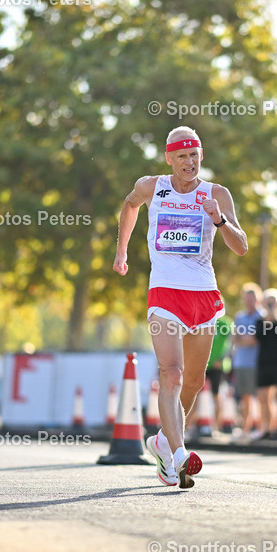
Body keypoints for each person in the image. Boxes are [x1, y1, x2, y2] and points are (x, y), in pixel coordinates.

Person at [113, 125, 248, 488]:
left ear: (201, 155)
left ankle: (161, 441)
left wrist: (218, 219)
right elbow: (129, 205)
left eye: (194, 155)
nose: (189, 163)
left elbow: (241, 246)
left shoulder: (216, 193)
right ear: (169, 158)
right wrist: (122, 251)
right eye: (182, 156)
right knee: (171, 373)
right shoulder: (151, 186)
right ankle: (178, 455)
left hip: (203, 293)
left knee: (194, 381)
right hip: (165, 292)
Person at [255, 288, 277, 441]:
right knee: (264, 398)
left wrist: (274, 315)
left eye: (273, 302)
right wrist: (268, 317)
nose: (270, 305)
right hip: (264, 362)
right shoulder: (259, 322)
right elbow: (258, 336)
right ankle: (266, 428)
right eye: (268, 302)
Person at [231, 283, 264, 434]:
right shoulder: (239, 316)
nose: (250, 301)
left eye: (253, 298)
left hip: (257, 363)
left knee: (261, 397)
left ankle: (262, 429)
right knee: (245, 398)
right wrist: (247, 339)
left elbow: (256, 340)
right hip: (241, 362)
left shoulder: (262, 317)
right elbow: (235, 339)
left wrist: (243, 339)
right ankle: (245, 429)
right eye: (248, 298)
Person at [205, 310, 232, 432]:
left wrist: (222, 358)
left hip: (217, 366)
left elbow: (232, 343)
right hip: (203, 364)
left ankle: (216, 427)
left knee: (216, 395)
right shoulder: (203, 320)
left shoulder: (225, 323)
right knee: (193, 393)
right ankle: (188, 427)